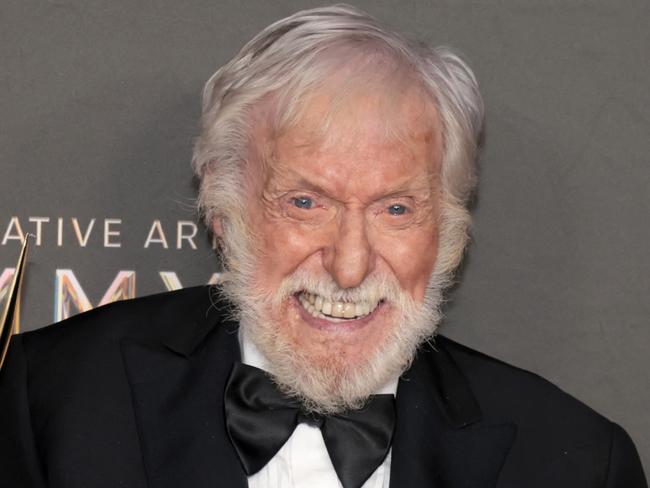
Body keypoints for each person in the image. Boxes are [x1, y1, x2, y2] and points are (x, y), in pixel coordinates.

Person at [0, 5, 646, 488]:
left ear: (448, 234)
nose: (350, 264)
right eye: (306, 203)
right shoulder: (49, 402)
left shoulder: (574, 461)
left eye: (396, 209)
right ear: (224, 215)